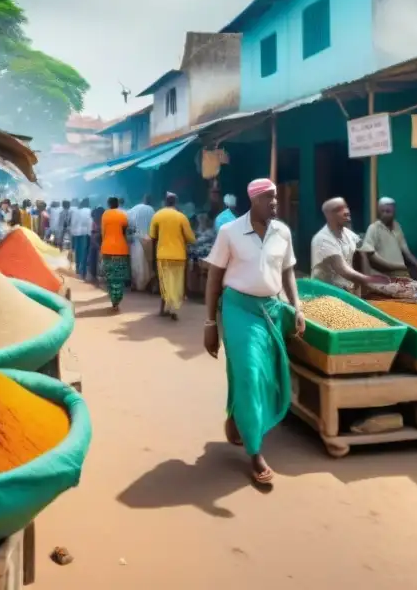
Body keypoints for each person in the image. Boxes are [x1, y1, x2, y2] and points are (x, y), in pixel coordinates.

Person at [204, 178, 305, 485]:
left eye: (276, 198)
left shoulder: (282, 232)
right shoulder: (229, 232)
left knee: (264, 374)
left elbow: (287, 271)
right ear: (254, 201)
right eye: (270, 199)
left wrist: (296, 307)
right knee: (249, 371)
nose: (275, 203)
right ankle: (255, 452)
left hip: (271, 310)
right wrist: (210, 324)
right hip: (238, 310)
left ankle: (239, 418)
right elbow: (213, 278)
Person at [311, 198, 388, 294]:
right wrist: (369, 280)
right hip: (325, 294)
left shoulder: (349, 234)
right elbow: (342, 269)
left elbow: (366, 251)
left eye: (346, 207)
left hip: (345, 291)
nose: (346, 212)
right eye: (339, 209)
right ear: (329, 215)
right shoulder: (323, 239)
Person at [150, 192, 195, 320]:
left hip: (162, 255)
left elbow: (153, 237)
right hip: (179, 256)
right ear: (176, 202)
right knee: (176, 283)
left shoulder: (157, 216)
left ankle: (163, 309)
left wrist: (153, 257)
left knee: (165, 283)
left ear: (165, 202)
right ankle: (173, 307)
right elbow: (191, 238)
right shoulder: (181, 217)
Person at [364, 197, 417, 279]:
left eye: (388, 211)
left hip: (400, 277)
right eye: (382, 211)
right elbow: (369, 255)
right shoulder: (373, 228)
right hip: (381, 278)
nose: (384, 214)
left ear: (394, 212)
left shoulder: (397, 227)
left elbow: (407, 253)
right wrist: (393, 267)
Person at [101, 197, 131, 311]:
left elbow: (103, 232)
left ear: (109, 204)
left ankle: (113, 300)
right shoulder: (123, 216)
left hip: (108, 248)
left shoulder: (105, 215)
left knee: (110, 276)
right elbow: (125, 233)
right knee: (119, 276)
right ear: (118, 204)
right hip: (121, 249)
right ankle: (117, 300)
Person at [128, 195, 156, 291]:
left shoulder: (135, 208)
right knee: (147, 264)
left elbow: (128, 220)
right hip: (148, 240)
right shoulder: (152, 210)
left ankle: (136, 284)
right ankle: (145, 285)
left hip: (136, 239)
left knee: (136, 262)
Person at [70, 198, 93, 277]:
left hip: (76, 233)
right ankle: (83, 271)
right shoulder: (89, 211)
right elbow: (90, 223)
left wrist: (72, 233)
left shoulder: (77, 211)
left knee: (78, 251)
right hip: (85, 233)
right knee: (84, 252)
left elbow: (73, 223)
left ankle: (77, 268)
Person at [88, 205, 105, 282]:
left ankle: (93, 274)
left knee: (93, 256)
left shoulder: (94, 219)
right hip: (99, 237)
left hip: (94, 237)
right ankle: (98, 274)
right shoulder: (102, 219)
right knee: (99, 257)